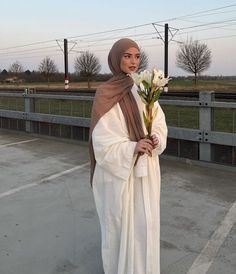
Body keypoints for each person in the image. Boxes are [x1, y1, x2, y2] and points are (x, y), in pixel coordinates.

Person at [89, 38, 167, 274]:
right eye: (127, 56)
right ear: (116, 58)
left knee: (146, 223)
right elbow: (102, 140)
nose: (133, 61)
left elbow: (159, 123)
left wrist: (156, 139)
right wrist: (132, 147)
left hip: (147, 169)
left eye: (136, 56)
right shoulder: (105, 93)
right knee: (122, 225)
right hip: (122, 173)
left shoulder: (143, 88)